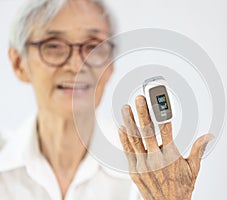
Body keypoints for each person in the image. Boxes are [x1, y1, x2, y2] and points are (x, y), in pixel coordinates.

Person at [0, 0, 214, 199]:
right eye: (53, 46)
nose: (76, 65)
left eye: (93, 46)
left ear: (110, 65)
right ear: (19, 63)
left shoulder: (155, 175)